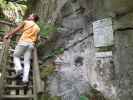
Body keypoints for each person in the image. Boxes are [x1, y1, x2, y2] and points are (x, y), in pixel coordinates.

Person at [3, 14, 40, 85]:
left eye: (30, 15)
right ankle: (25, 80)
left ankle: (19, 69)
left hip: (23, 42)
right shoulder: (38, 28)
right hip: (31, 45)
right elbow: (38, 40)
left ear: (33, 17)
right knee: (27, 62)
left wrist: (8, 35)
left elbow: (16, 30)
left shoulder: (26, 22)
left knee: (16, 56)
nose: (29, 16)